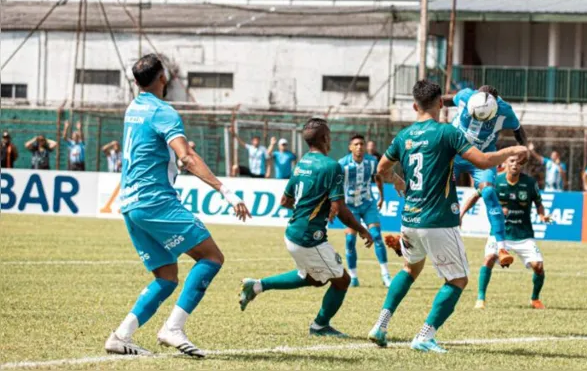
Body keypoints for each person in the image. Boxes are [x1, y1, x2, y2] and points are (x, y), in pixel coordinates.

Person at [105, 54, 250, 358]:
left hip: (130, 203)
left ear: (135, 82)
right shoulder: (164, 112)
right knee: (211, 257)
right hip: (155, 199)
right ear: (163, 79)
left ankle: (121, 336)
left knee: (167, 276)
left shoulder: (133, 108)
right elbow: (186, 157)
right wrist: (226, 191)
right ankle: (172, 328)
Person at [367, 79, 527, 353]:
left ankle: (381, 324)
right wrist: (513, 150)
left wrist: (398, 181)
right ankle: (424, 336)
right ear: (441, 104)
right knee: (457, 280)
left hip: (409, 219)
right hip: (439, 220)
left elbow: (381, 170)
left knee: (409, 269)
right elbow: (484, 161)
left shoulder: (403, 136)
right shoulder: (447, 133)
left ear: (414, 106)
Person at [239, 118, 374, 338]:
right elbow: (340, 209)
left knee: (311, 278)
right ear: (325, 138)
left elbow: (285, 200)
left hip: (293, 233)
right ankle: (320, 326)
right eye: (329, 135)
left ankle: (256, 286)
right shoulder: (332, 166)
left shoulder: (301, 163)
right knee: (342, 281)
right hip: (309, 239)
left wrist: (310, 207)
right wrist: (361, 229)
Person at [442, 85, 527, 268]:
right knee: (437, 189)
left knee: (488, 192)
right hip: (454, 153)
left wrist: (524, 148)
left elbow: (518, 130)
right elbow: (445, 100)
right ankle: (408, 233)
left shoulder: (505, 111)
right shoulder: (465, 96)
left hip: (483, 157)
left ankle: (502, 248)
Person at [460, 154, 552, 310]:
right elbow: (475, 196)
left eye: (519, 162)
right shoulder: (495, 181)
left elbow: (538, 203)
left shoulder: (530, 183)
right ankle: (480, 299)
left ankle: (535, 299)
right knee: (489, 258)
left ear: (522, 165)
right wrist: (461, 214)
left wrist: (542, 215)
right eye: (512, 161)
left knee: (538, 266)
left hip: (523, 235)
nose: (515, 164)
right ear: (505, 163)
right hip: (498, 233)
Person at [339, 134, 391, 288]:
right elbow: (336, 185)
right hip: (349, 207)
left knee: (377, 237)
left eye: (362, 144)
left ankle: (385, 275)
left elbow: (378, 178)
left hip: (368, 204)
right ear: (350, 147)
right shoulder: (342, 164)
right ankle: (353, 277)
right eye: (356, 144)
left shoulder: (372, 161)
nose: (359, 147)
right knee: (350, 241)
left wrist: (382, 196)